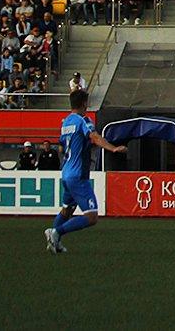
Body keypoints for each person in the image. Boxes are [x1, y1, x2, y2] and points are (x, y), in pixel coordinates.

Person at [44, 88, 123, 254]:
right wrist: (113, 148)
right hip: (78, 175)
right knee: (91, 216)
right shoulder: (83, 120)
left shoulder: (66, 122)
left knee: (67, 210)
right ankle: (56, 232)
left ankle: (54, 242)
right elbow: (94, 136)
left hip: (66, 172)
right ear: (85, 103)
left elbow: (61, 147)